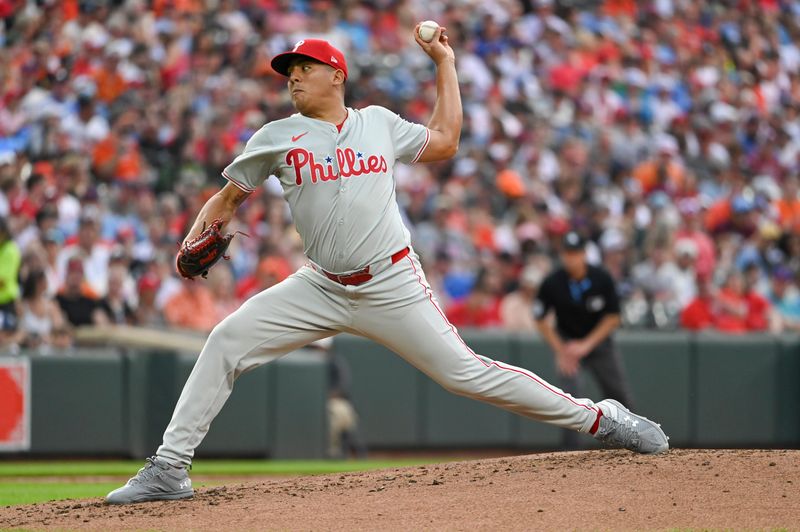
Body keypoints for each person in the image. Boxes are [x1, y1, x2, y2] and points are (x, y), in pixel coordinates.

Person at [106, 32, 668, 505]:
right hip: (320, 285)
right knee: (225, 341)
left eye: (304, 68)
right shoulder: (275, 136)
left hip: (391, 281)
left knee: (464, 374)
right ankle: (169, 468)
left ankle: (602, 419)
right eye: (289, 71)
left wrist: (445, 64)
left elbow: (446, 141)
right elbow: (226, 201)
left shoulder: (378, 122)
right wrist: (193, 237)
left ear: (336, 76)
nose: (293, 78)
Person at [533, 231, 636, 450]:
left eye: (576, 253)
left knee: (618, 395)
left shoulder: (601, 278)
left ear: (584, 254)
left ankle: (630, 443)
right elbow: (540, 319)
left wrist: (585, 345)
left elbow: (613, 317)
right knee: (570, 400)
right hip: (568, 345)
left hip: (598, 344)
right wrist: (561, 350)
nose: (571, 258)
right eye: (567, 253)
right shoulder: (553, 282)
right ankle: (569, 453)